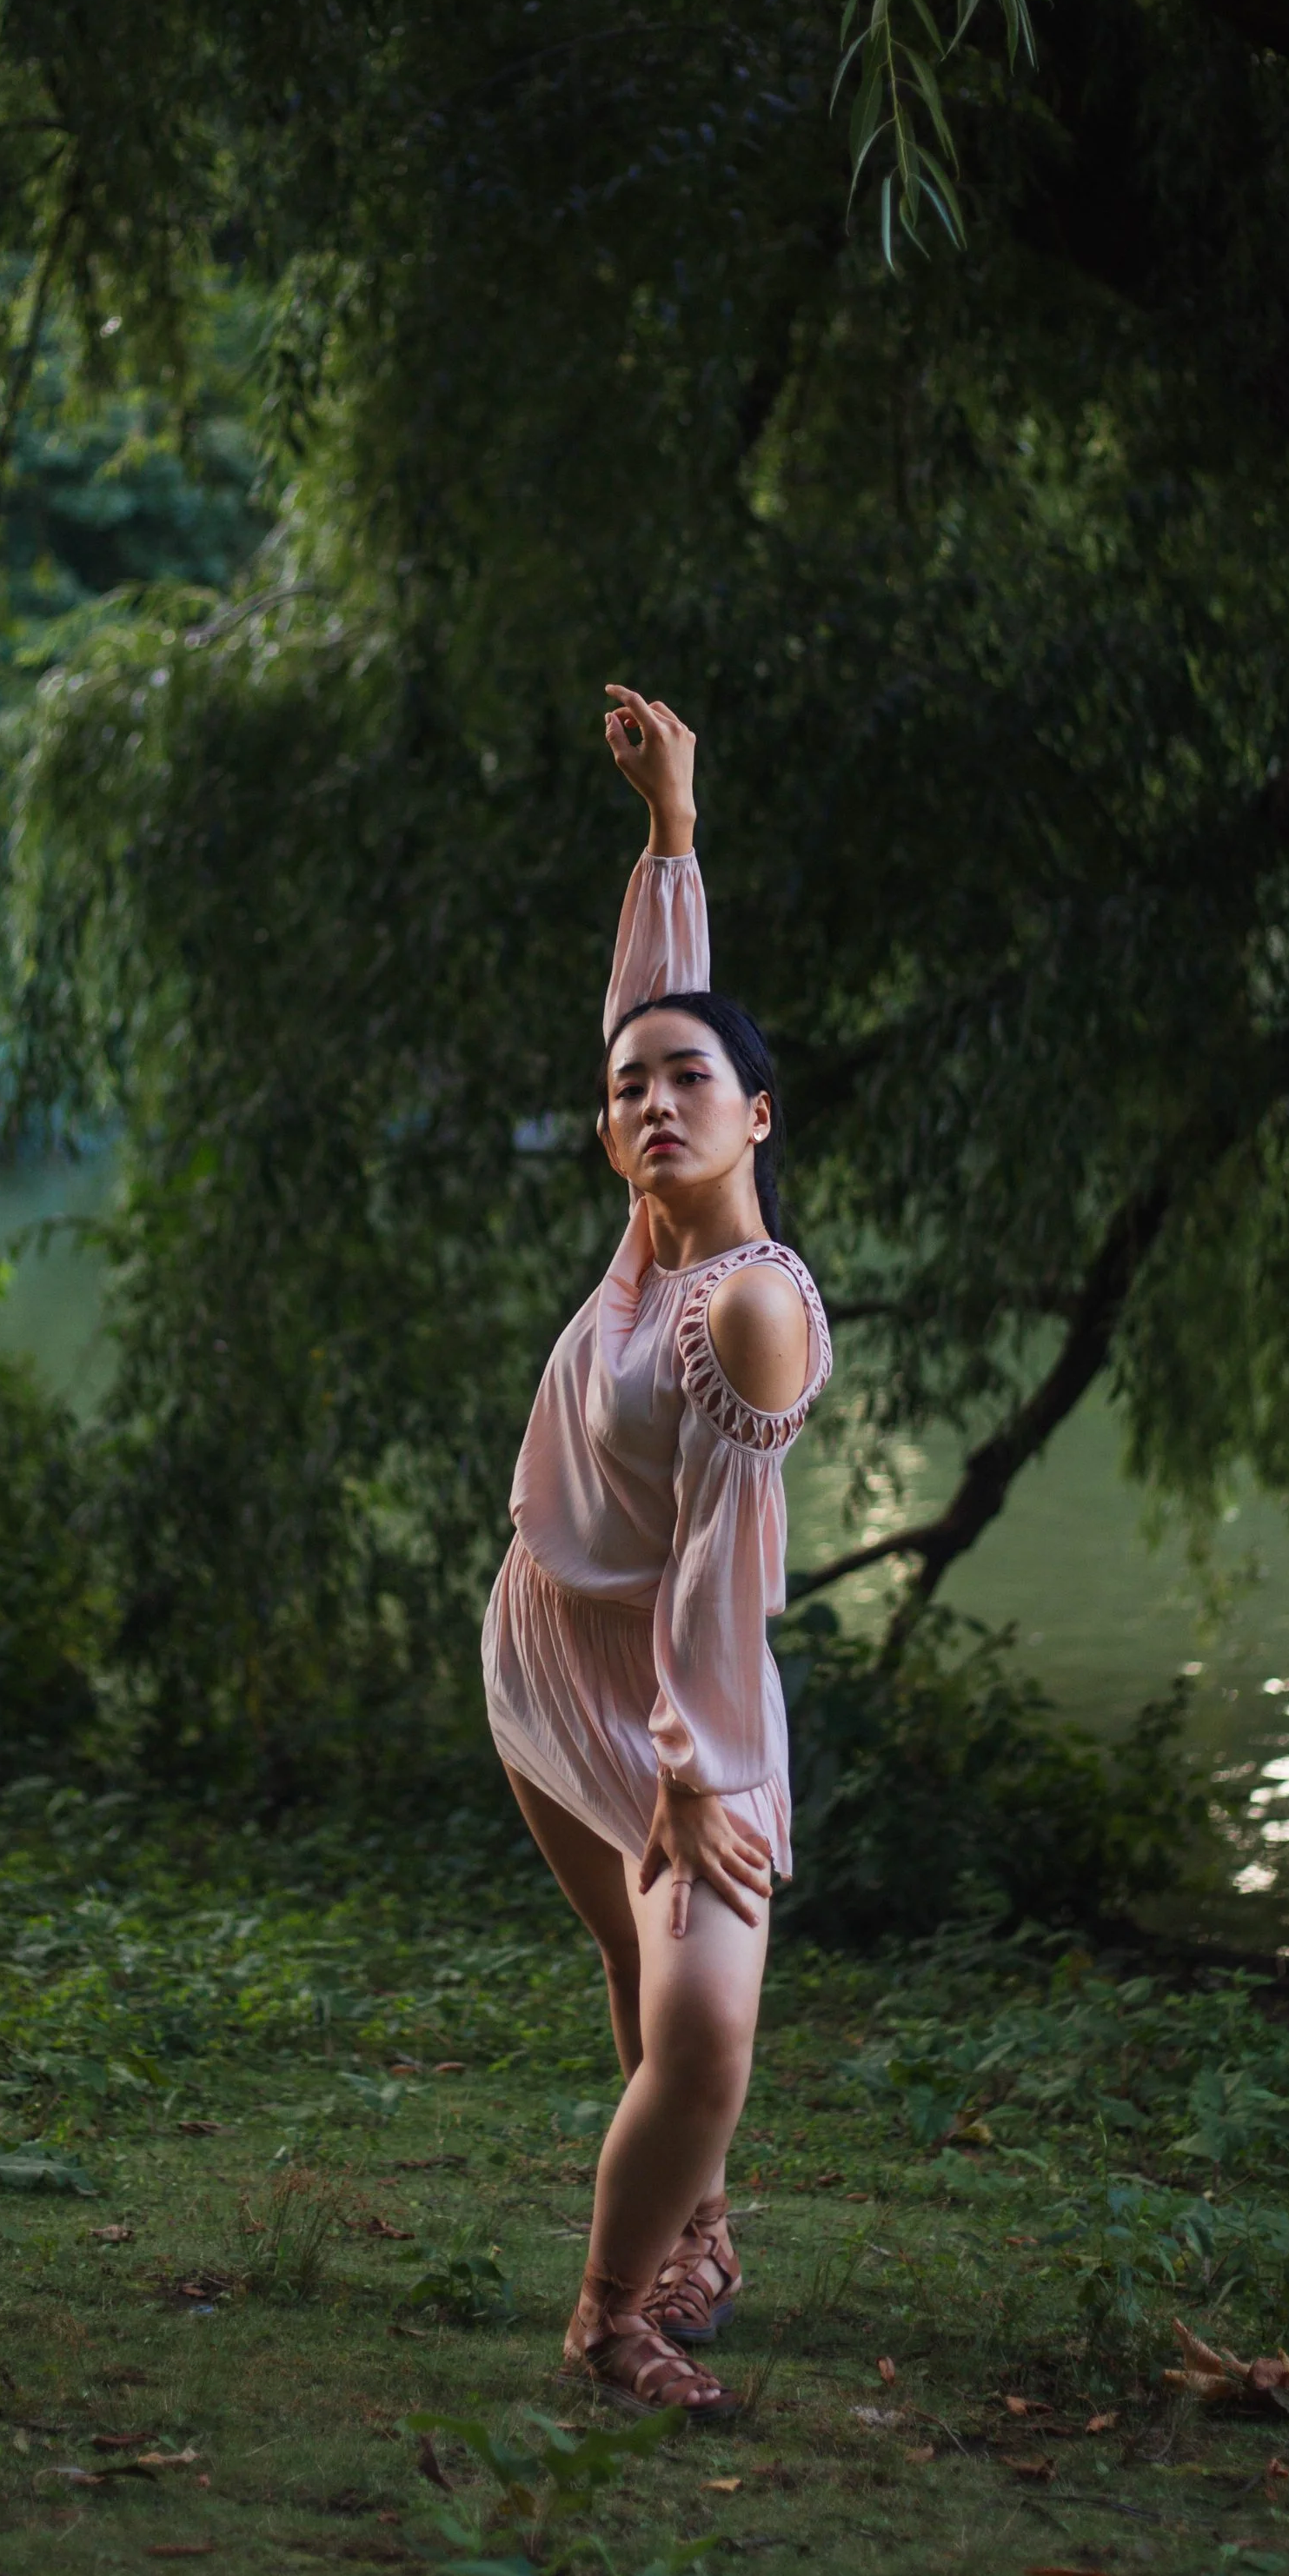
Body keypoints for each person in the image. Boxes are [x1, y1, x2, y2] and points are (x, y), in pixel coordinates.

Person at [482, 685, 834, 2420]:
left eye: (693, 1083)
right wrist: (670, 830)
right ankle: (673, 2255)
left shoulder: (743, 1309)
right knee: (635, 1975)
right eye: (627, 1093)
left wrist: (695, 1769)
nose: (652, 1099)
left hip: (670, 1685)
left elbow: (721, 1566)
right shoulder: (642, 1234)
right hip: (538, 1644)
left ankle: (609, 2303)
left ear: (758, 1115)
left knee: (699, 2028)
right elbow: (651, 1008)